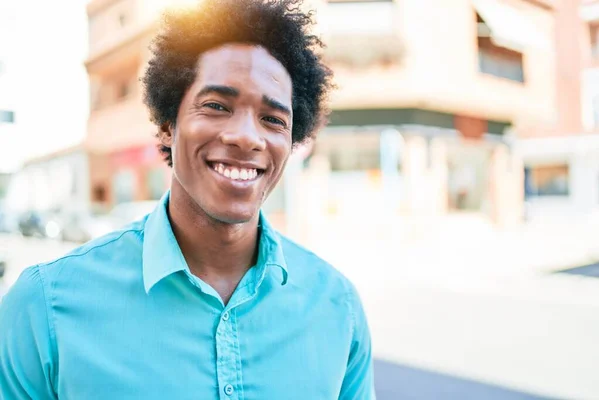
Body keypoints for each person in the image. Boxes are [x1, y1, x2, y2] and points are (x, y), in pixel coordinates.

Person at [0, 0, 376, 399]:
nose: (247, 136)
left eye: (273, 119)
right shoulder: (45, 307)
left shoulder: (339, 308)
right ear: (166, 125)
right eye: (216, 106)